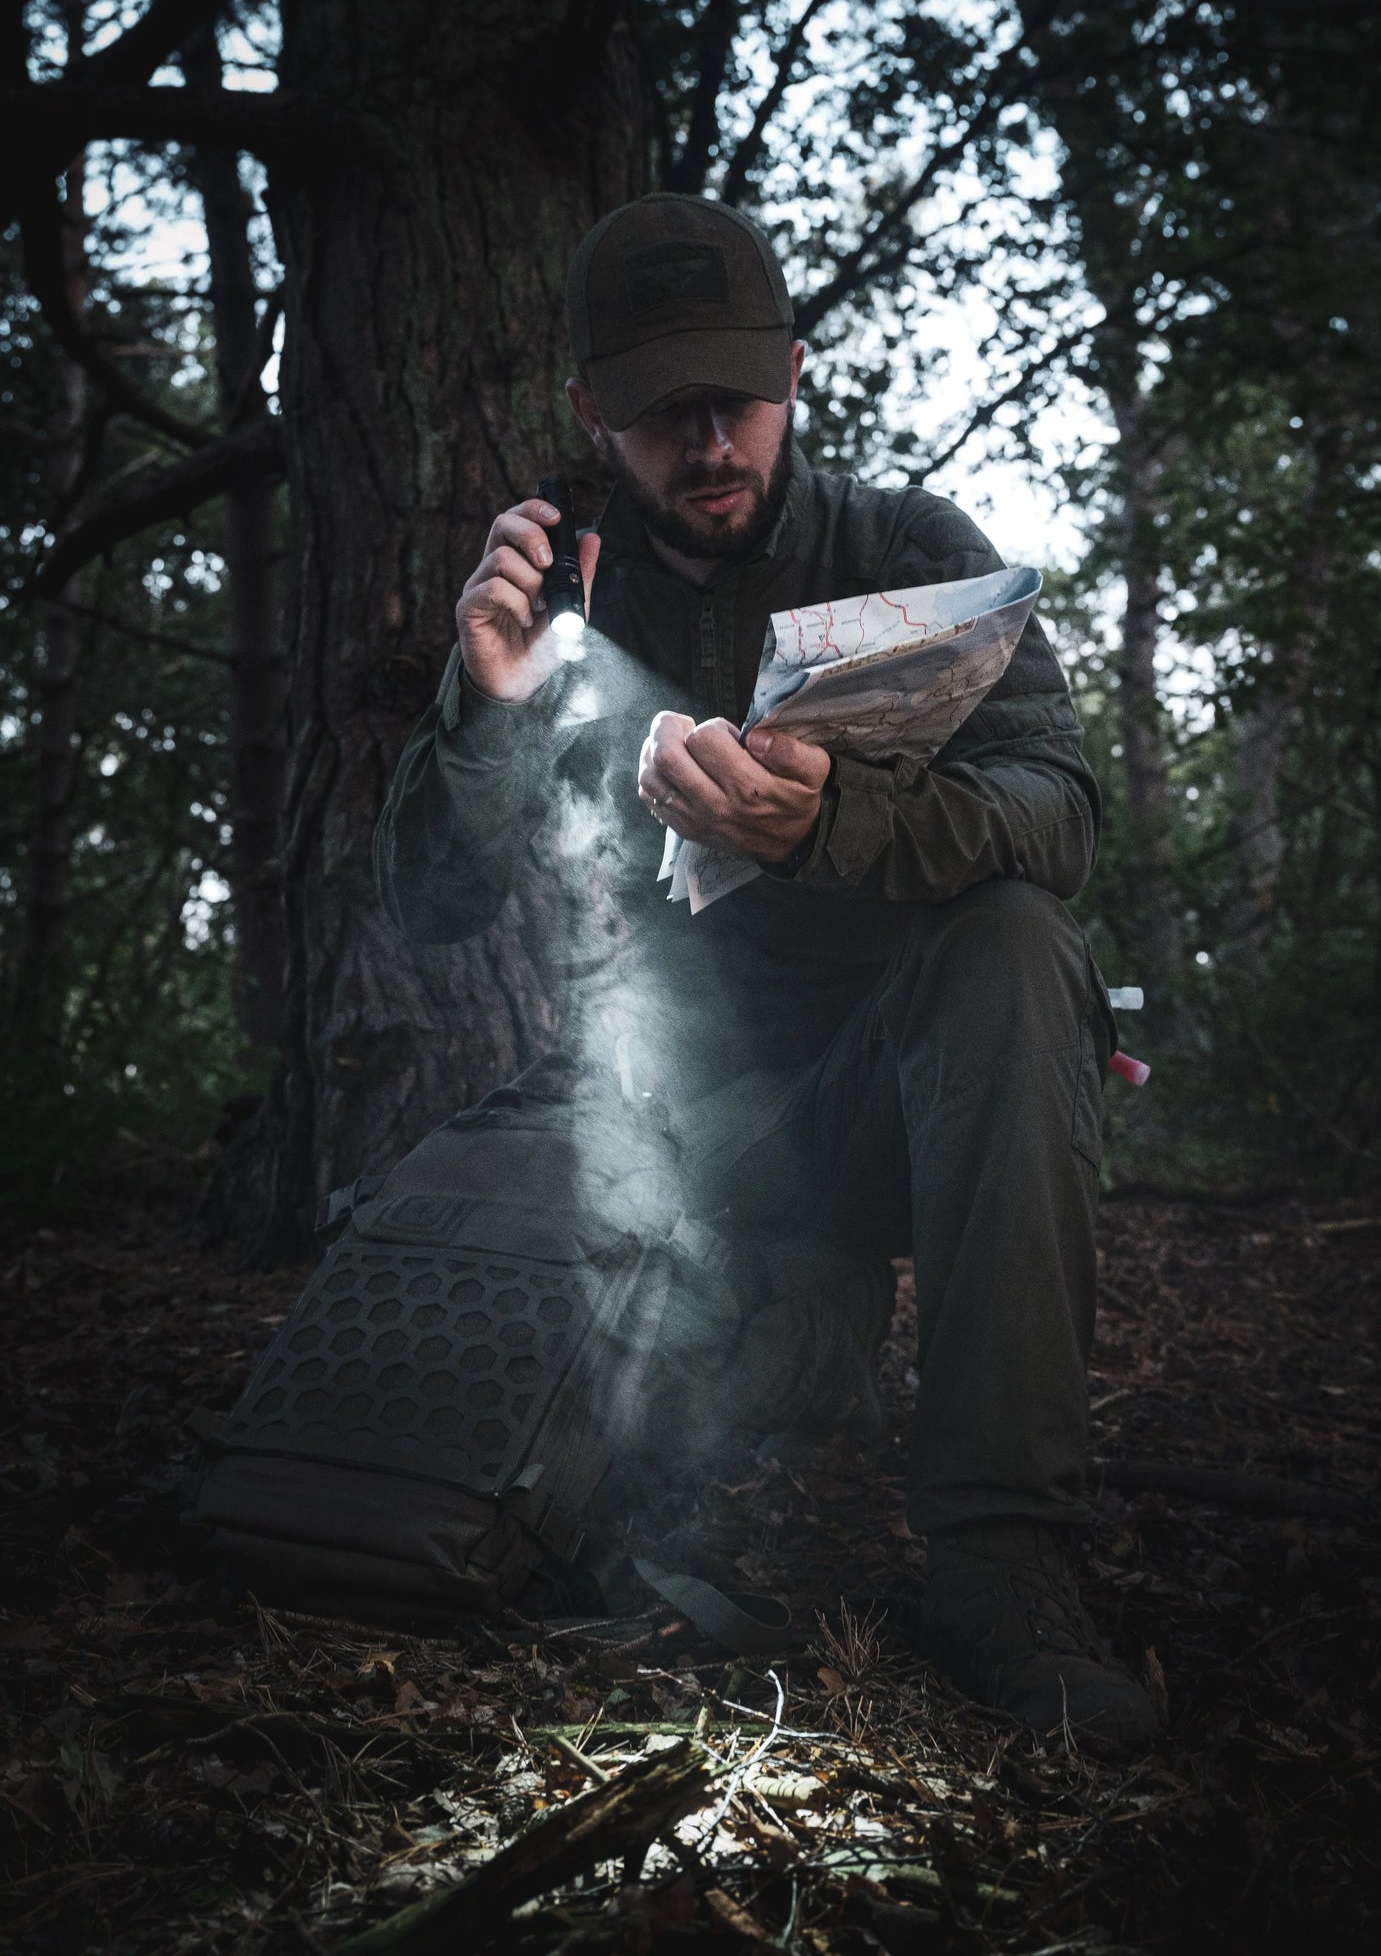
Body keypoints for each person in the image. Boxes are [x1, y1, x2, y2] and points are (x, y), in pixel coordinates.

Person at [373, 193, 1158, 1750]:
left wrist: (834, 821)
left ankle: (1003, 1563)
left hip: (912, 1094)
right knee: (555, 1492)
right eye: (664, 408)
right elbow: (430, 906)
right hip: (689, 1149)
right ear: (592, 412)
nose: (710, 437)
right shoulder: (559, 594)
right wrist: (483, 701)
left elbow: (1057, 816)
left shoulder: (908, 549)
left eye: (736, 395)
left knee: (1017, 942)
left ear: (795, 373)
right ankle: (679, 1423)